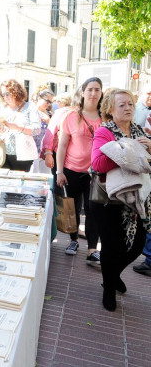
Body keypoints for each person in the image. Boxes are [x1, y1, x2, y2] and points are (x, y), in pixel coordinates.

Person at [90, 88, 151, 310]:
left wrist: (149, 148)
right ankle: (108, 289)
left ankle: (113, 275)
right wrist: (127, 153)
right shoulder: (105, 132)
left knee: (137, 245)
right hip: (109, 200)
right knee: (111, 247)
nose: (127, 108)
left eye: (130, 104)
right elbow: (97, 165)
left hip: (136, 200)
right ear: (110, 109)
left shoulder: (138, 130)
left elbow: (147, 164)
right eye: (122, 105)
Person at [56, 77, 103, 262]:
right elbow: (62, 145)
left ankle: (92, 249)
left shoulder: (106, 117)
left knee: (93, 210)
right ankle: (74, 240)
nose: (93, 93)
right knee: (72, 209)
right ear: (83, 92)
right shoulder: (71, 117)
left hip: (96, 173)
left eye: (97, 90)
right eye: (90, 89)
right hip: (72, 170)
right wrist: (60, 171)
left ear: (101, 93)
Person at [0, 79, 41, 171]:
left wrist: (17, 127)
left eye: (7, 94)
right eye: (3, 94)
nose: (5, 97)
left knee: (18, 182)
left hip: (23, 155)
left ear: (16, 91)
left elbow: (37, 130)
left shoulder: (29, 107)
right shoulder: (0, 109)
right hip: (3, 154)